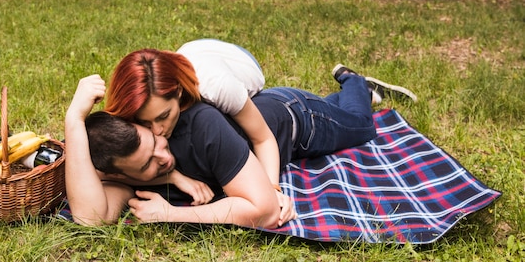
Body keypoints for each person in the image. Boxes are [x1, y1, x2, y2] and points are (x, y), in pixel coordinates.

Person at [65, 66, 416, 228]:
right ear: (115, 172)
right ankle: (341, 97)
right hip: (260, 118)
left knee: (360, 124)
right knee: (339, 111)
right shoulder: (117, 149)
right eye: (149, 167)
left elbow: (262, 211)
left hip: (296, 120)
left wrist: (170, 213)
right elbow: (89, 216)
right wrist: (74, 119)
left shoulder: (199, 124)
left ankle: (355, 82)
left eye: (155, 138)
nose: (164, 154)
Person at [104, 40, 284, 203]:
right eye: (145, 122)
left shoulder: (219, 88)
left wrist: (273, 189)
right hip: (192, 52)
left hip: (240, 58)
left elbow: (263, 138)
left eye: (163, 116)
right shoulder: (137, 103)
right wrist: (173, 177)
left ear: (179, 92)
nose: (157, 131)